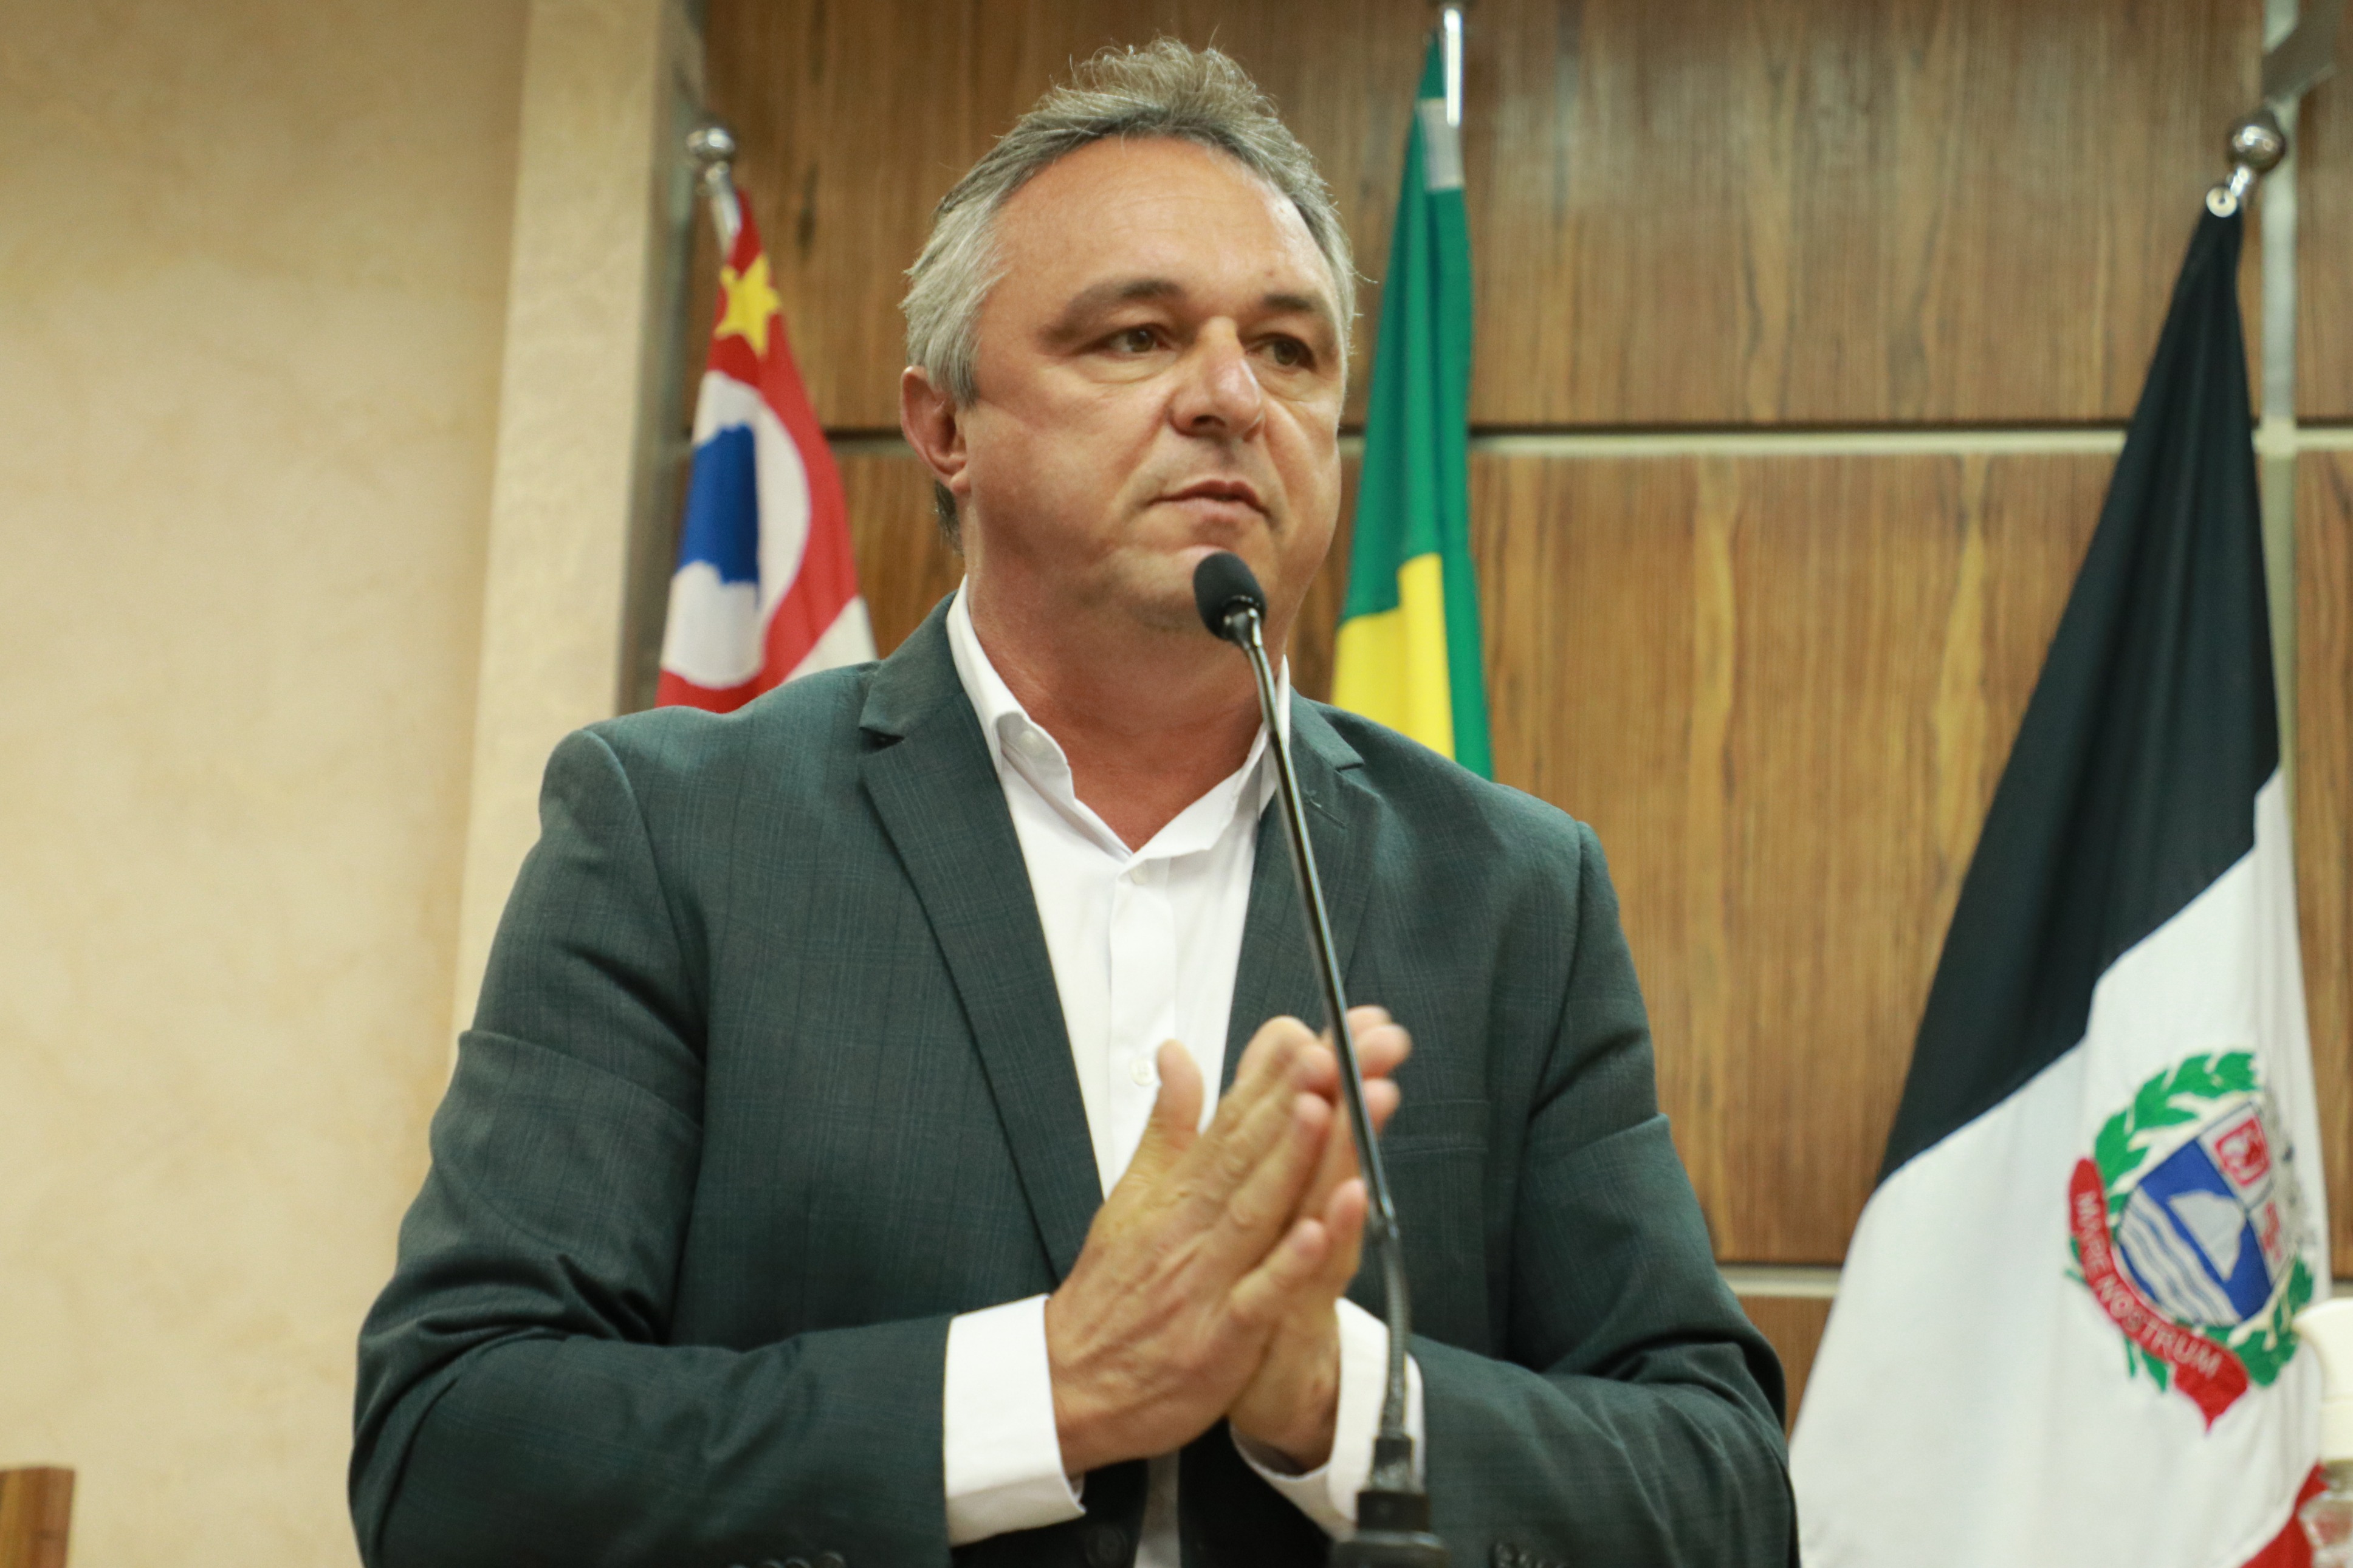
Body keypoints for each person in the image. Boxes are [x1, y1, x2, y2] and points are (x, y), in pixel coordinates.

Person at [352, 40, 1793, 1568]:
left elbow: (1723, 1491)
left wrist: (1336, 1400)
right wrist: (1045, 1390)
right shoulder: (676, 832)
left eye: (1289, 351)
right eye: (1136, 337)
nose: (1232, 398)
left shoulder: (1509, 889)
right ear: (945, 428)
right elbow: (454, 1451)